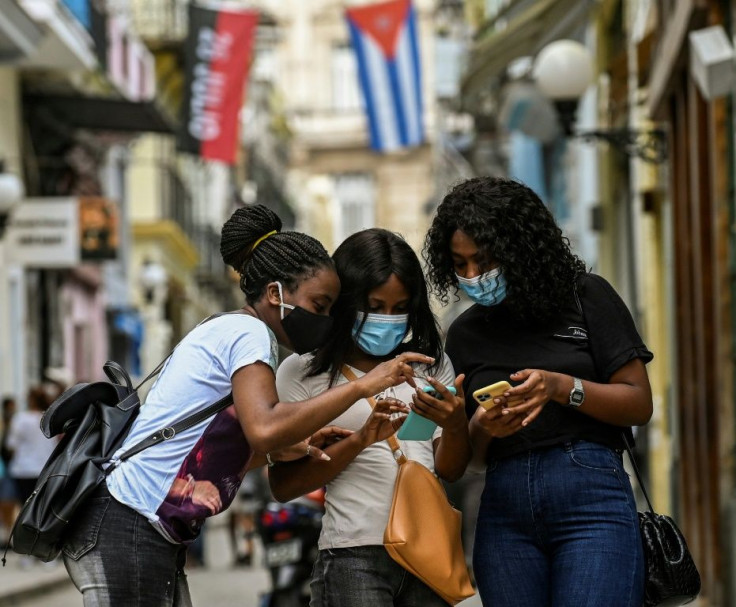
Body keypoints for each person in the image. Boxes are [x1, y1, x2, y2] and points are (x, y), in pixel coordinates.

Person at [61, 205, 432, 607]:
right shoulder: (249, 333)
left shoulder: (231, 329)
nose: (325, 320)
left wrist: (301, 446)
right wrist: (364, 387)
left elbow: (223, 447)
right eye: (319, 305)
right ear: (275, 294)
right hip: (129, 522)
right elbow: (265, 428)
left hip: (141, 528)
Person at [423, 177, 654, 607]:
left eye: (484, 260)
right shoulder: (464, 334)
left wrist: (562, 388)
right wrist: (480, 426)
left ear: (519, 250)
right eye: (460, 265)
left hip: (592, 504)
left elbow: (638, 403)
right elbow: (460, 464)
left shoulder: (586, 297)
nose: (473, 276)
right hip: (504, 514)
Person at [270, 228, 472, 607]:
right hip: (353, 557)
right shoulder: (302, 373)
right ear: (347, 302)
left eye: (399, 309)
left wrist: (457, 423)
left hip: (426, 550)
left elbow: (449, 469)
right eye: (375, 306)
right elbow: (284, 485)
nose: (387, 320)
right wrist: (361, 439)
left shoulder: (430, 364)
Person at [7, 388, 56, 505]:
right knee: (41, 506)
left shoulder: (20, 419)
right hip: (45, 468)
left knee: (25, 505)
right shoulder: (51, 418)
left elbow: (11, 445)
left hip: (23, 469)